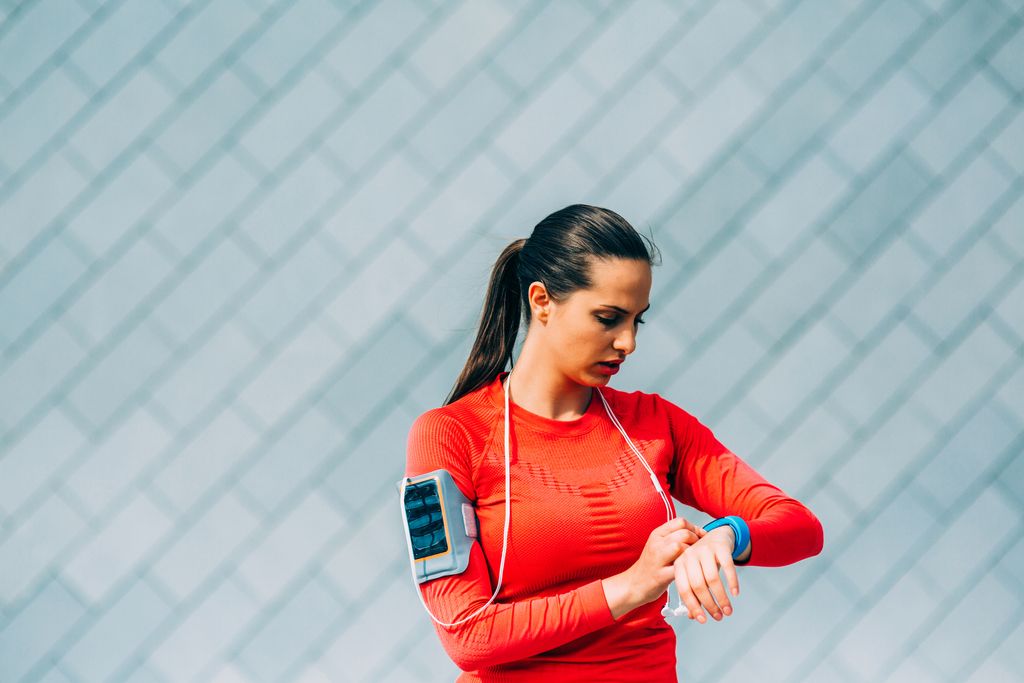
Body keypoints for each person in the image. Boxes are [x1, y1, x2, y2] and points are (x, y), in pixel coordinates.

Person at [399, 204, 824, 682]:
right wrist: (632, 587)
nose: (628, 343)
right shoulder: (450, 434)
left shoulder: (654, 423)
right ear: (542, 301)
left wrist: (727, 534)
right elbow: (466, 633)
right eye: (608, 318)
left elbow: (800, 527)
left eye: (637, 321)